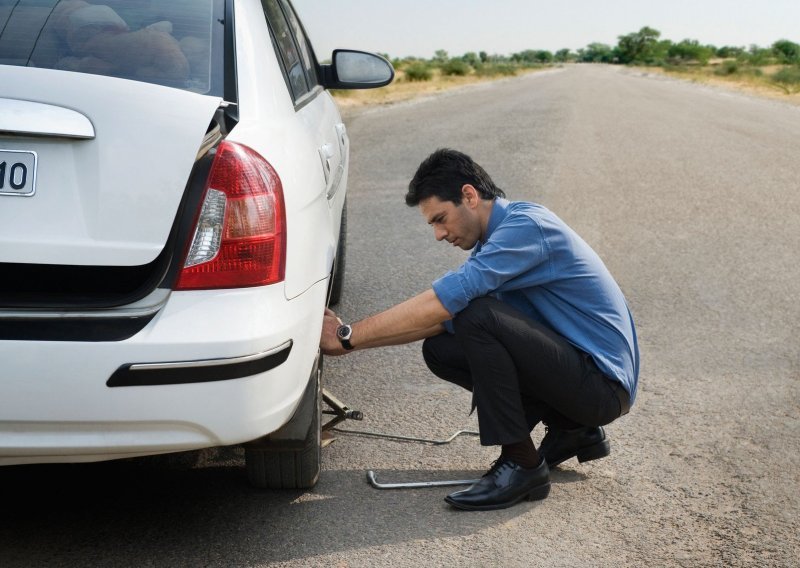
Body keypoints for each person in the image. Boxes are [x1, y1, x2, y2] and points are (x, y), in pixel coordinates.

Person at [320, 149, 639, 511]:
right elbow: (437, 318)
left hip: (602, 386)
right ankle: (572, 430)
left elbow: (445, 302)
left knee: (475, 315)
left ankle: (522, 464)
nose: (439, 234)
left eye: (441, 219)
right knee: (440, 347)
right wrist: (350, 340)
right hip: (579, 379)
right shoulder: (494, 243)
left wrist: (346, 337)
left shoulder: (525, 228)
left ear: (469, 196)